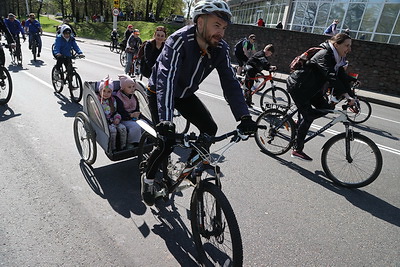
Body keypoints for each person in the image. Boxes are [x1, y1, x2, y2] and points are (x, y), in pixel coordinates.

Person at [142, 0, 258, 206]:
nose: (221, 33)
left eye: (223, 28)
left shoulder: (220, 48)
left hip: (185, 95)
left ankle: (190, 166)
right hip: (159, 91)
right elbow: (166, 81)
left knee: (210, 128)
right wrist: (167, 120)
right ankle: (148, 179)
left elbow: (231, 83)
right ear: (200, 22)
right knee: (166, 142)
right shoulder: (178, 41)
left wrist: (244, 116)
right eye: (216, 26)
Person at [286, 33, 356, 161]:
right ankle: (297, 149)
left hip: (311, 89)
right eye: (347, 45)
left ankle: (297, 123)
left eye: (350, 46)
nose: (349, 49)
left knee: (326, 108)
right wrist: (346, 95)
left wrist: (352, 96)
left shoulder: (337, 59)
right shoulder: (324, 55)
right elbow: (331, 76)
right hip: (299, 87)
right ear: (336, 44)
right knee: (309, 116)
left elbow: (342, 77)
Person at [98, 76, 127, 151]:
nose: (106, 94)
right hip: (103, 122)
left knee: (123, 128)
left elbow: (116, 112)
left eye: (109, 92)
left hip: (113, 120)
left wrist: (117, 118)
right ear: (100, 90)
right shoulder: (97, 101)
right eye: (103, 91)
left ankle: (123, 146)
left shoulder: (113, 100)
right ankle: (112, 147)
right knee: (112, 130)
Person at [115, 74, 142, 149]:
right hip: (123, 118)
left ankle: (142, 141)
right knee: (135, 127)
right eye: (129, 87)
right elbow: (119, 112)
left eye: (133, 87)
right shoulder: (118, 98)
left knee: (145, 124)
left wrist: (137, 115)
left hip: (132, 117)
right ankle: (130, 143)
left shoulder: (133, 96)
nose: (132, 89)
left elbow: (137, 108)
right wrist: (130, 115)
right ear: (123, 88)